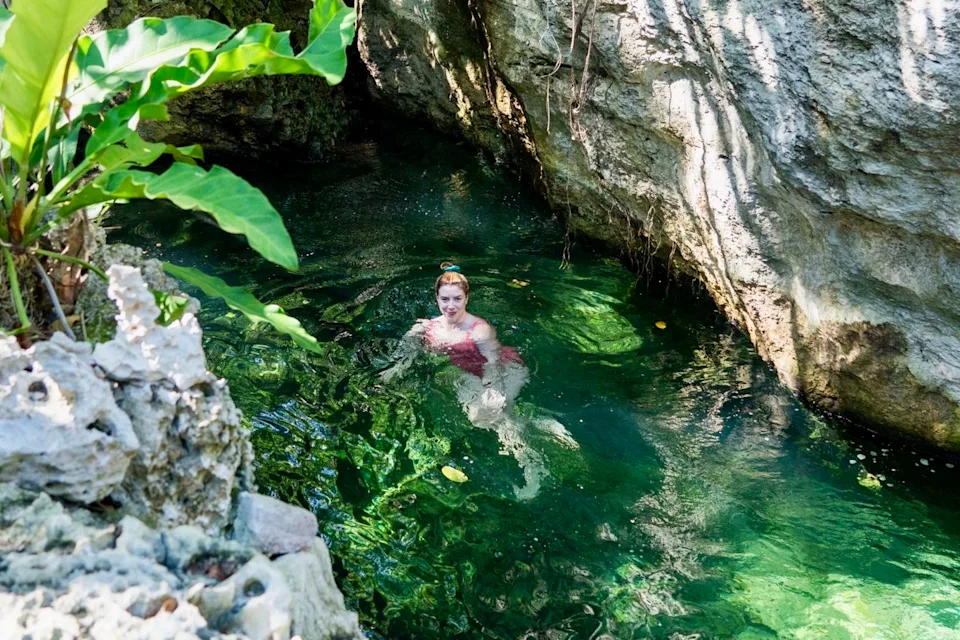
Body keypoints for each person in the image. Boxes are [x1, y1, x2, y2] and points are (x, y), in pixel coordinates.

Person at [380, 262, 576, 500]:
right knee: (486, 418)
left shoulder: (479, 329)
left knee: (492, 418)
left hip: (505, 370)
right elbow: (407, 348)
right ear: (436, 298)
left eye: (457, 299)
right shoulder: (427, 326)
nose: (450, 306)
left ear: (467, 298)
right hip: (472, 375)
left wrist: (493, 392)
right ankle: (542, 424)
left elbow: (493, 363)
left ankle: (534, 467)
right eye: (445, 299)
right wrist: (395, 370)